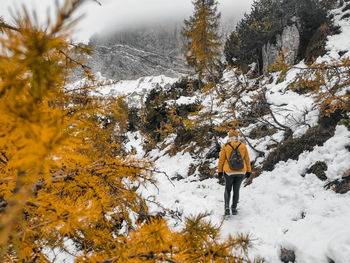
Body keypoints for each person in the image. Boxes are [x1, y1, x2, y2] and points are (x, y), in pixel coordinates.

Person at [217, 128, 252, 216]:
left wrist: (220, 171)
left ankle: (227, 208)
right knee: (236, 190)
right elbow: (247, 159)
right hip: (241, 172)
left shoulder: (226, 146)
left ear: (229, 136)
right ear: (237, 136)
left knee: (228, 189)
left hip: (229, 172)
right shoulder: (243, 146)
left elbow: (221, 160)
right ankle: (234, 208)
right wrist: (249, 171)